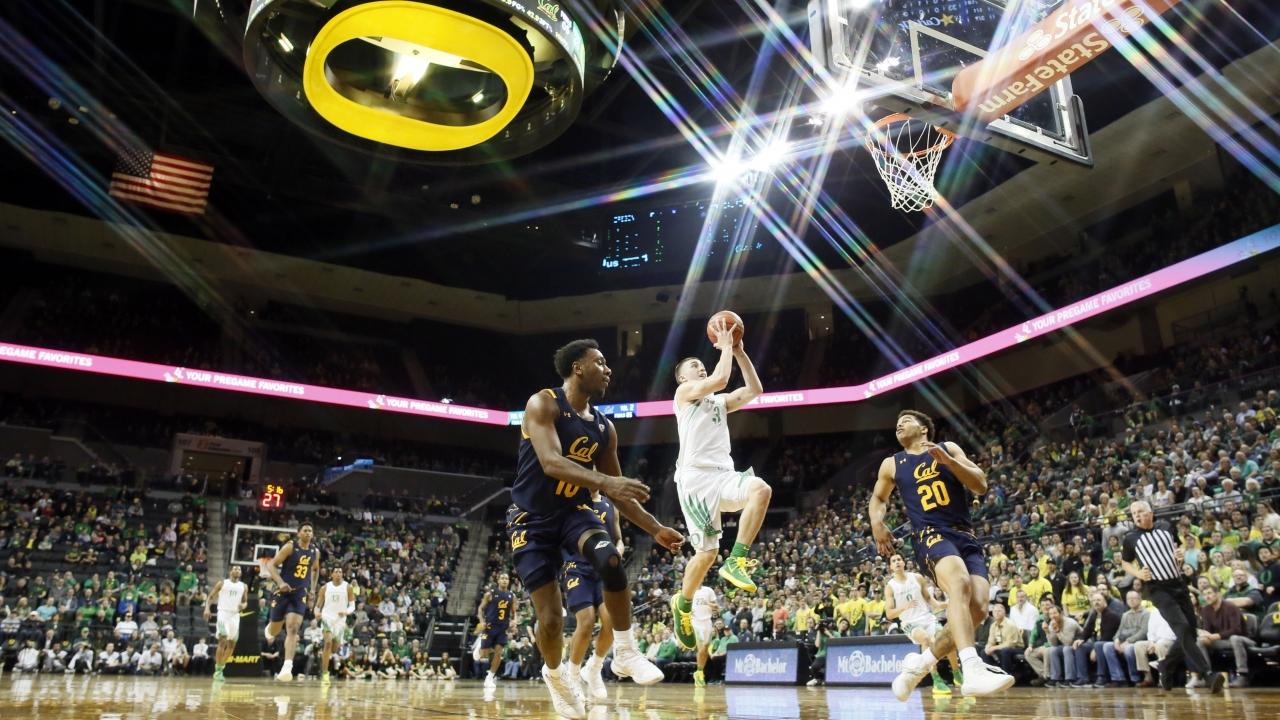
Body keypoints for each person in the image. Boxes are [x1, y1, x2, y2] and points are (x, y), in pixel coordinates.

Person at [508, 339, 684, 719]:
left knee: (611, 561)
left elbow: (618, 493)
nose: (608, 370)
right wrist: (605, 482)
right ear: (578, 368)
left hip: (574, 512)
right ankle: (555, 675)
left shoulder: (605, 428)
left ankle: (625, 651)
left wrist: (655, 528)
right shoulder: (544, 403)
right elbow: (552, 462)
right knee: (551, 621)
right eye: (600, 363)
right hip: (531, 519)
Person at [871, 409, 1014, 699]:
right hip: (929, 534)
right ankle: (971, 668)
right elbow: (878, 497)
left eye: (906, 421)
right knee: (958, 583)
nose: (899, 425)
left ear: (924, 429)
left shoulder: (947, 448)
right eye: (897, 423)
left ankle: (919, 667)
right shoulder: (892, 463)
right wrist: (877, 523)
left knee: (978, 608)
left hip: (964, 535)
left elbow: (980, 484)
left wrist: (950, 463)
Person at [668, 319, 769, 652]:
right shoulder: (684, 395)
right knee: (707, 553)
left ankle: (737, 560)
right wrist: (725, 346)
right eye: (694, 366)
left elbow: (754, 389)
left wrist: (738, 352)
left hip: (723, 474)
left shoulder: (719, 402)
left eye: (702, 364)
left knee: (761, 489)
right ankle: (682, 604)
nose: (700, 367)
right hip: (695, 480)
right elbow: (721, 379)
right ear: (683, 378)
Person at [1120, 500, 1225, 692]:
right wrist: (1138, 573)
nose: (1137, 515)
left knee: (1190, 631)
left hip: (1178, 583)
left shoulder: (1166, 526)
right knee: (1182, 627)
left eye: (1140, 511)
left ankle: (1165, 665)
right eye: (1134, 513)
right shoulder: (1130, 538)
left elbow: (1179, 547)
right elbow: (1125, 563)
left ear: (1150, 512)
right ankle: (1207, 674)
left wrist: (1180, 555)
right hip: (1158, 589)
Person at [559, 492, 621, 701]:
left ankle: (593, 669)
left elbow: (618, 539)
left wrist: (617, 551)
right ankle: (573, 675)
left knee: (612, 621)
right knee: (586, 622)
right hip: (577, 567)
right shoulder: (571, 501)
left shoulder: (611, 505)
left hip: (603, 570)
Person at [884, 553, 962, 695]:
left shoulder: (917, 578)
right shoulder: (890, 587)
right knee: (925, 639)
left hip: (927, 618)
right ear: (891, 567)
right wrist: (904, 607)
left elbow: (928, 598)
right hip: (909, 623)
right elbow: (889, 614)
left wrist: (941, 604)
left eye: (899, 559)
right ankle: (936, 680)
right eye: (893, 561)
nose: (897, 562)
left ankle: (957, 674)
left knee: (947, 639)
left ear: (904, 562)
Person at [262, 523, 321, 682]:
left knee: (293, 628)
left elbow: (315, 569)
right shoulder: (290, 547)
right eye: (305, 530)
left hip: (299, 593)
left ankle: (287, 667)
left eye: (310, 531)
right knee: (274, 630)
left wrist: (312, 589)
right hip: (282, 592)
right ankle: (270, 627)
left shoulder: (315, 552)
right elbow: (271, 565)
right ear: (298, 533)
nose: (308, 533)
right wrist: (280, 582)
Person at [204, 563, 247, 681]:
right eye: (235, 569)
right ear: (230, 571)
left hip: (235, 616)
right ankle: (217, 670)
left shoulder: (243, 586)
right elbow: (210, 597)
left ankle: (221, 667)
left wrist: (243, 605)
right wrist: (207, 608)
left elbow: (245, 601)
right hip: (223, 613)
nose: (237, 570)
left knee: (232, 644)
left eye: (239, 569)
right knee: (222, 640)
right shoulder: (222, 583)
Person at [476, 572, 518, 690]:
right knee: (484, 654)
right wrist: (481, 621)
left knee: (499, 652)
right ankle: (480, 648)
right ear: (498, 580)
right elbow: (480, 608)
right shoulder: (490, 594)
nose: (504, 580)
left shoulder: (512, 596)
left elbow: (514, 613)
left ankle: (490, 677)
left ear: (508, 581)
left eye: (506, 578)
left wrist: (514, 621)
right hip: (489, 627)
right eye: (502, 578)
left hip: (502, 628)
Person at [316, 567, 355, 685]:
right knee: (328, 643)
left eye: (340, 572)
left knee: (334, 649)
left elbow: (352, 606)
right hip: (327, 618)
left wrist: (346, 612)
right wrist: (316, 613)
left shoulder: (348, 587)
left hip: (340, 621)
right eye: (336, 572)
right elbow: (317, 606)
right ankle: (325, 673)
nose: (338, 573)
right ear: (331, 574)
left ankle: (324, 655)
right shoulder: (325, 588)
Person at [690, 585, 718, 687]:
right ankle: (699, 673)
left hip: (707, 622)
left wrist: (707, 603)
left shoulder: (708, 590)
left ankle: (700, 671)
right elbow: (682, 607)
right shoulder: (690, 590)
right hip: (695, 622)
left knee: (705, 650)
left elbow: (716, 607)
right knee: (701, 648)